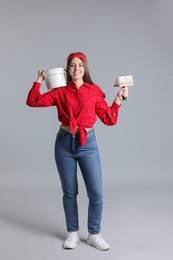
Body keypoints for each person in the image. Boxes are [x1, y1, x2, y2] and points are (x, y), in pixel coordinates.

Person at [26, 52, 128, 251]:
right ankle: (72, 232)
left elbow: (109, 119)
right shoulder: (60, 91)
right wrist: (39, 80)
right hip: (64, 144)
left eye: (80, 65)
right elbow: (33, 101)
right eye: (72, 65)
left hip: (87, 144)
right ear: (67, 70)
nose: (76, 69)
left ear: (85, 68)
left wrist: (118, 100)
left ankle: (94, 234)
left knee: (96, 193)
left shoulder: (94, 91)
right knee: (69, 192)